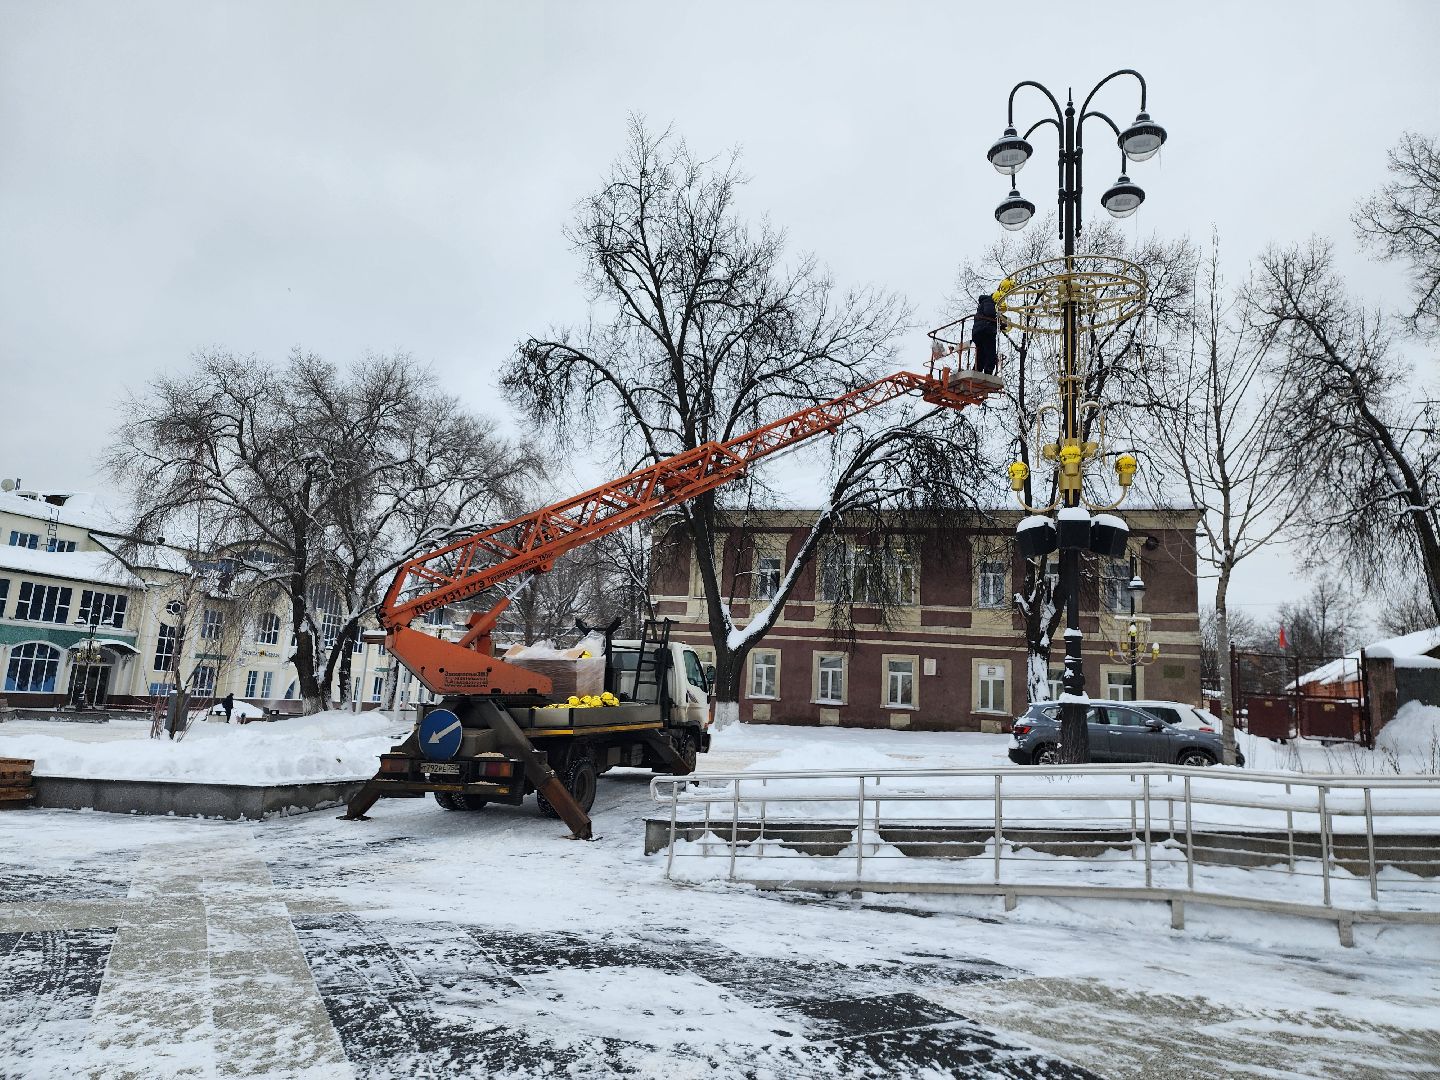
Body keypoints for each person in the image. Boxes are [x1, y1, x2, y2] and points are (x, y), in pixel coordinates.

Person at [971, 293, 999, 375]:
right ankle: (988, 370)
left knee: (981, 353)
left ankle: (977, 370)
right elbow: (990, 313)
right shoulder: (989, 301)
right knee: (990, 351)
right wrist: (998, 319)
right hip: (987, 330)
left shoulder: (980, 308)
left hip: (977, 333)